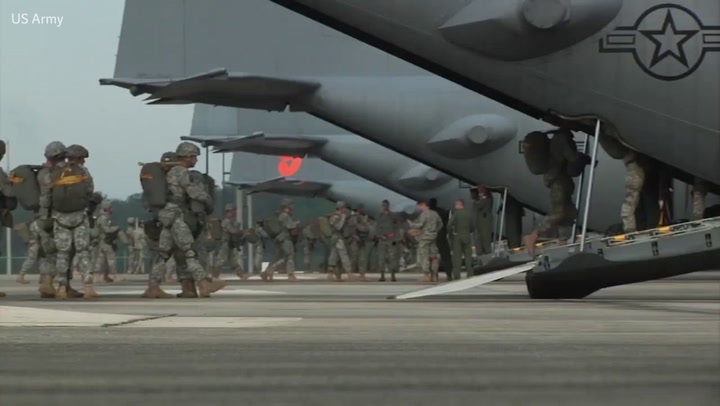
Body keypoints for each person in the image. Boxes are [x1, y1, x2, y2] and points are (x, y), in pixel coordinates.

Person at [157, 142, 224, 297]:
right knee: (189, 251)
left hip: (168, 215)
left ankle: (162, 286)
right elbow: (193, 191)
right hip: (176, 215)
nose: (196, 160)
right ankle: (204, 284)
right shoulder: (180, 171)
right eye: (194, 156)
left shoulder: (171, 171)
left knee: (164, 253)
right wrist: (208, 200)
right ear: (187, 156)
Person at [48, 143, 96, 299]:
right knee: (83, 252)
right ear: (80, 158)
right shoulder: (83, 171)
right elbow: (89, 191)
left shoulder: (54, 172)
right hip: (79, 216)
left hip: (60, 217)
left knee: (62, 253)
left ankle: (62, 287)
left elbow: (47, 194)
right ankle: (88, 286)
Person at [263, 198, 300, 281]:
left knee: (280, 257)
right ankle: (290, 275)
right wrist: (296, 223)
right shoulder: (285, 215)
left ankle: (268, 271)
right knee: (289, 256)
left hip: (281, 239)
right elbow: (290, 226)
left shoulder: (282, 215)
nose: (293, 206)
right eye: (291, 204)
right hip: (286, 238)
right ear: (288, 205)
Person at [407, 201, 443, 282]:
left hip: (425, 237)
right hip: (433, 236)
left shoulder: (424, 214)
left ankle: (426, 274)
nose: (419, 208)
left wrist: (411, 224)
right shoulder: (435, 214)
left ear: (423, 205)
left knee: (424, 255)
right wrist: (434, 231)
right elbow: (440, 224)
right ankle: (434, 274)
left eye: (419, 206)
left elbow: (420, 225)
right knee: (433, 256)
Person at [214, 204, 249, 280]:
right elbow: (232, 231)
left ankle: (241, 275)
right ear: (229, 211)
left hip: (230, 244)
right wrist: (242, 231)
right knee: (220, 260)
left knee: (233, 260)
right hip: (225, 243)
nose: (235, 212)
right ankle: (215, 277)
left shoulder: (231, 221)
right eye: (234, 210)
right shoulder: (226, 221)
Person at [448, 199, 475, 279]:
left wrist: (451, 234)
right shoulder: (469, 213)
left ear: (459, 204)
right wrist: (469, 231)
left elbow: (449, 225)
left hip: (458, 236)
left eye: (456, 204)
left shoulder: (456, 213)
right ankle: (470, 273)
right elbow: (473, 225)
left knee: (457, 257)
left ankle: (457, 274)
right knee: (468, 256)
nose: (455, 206)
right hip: (467, 236)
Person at [93, 200, 119, 283]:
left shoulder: (102, 218)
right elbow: (106, 230)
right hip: (105, 241)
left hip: (102, 241)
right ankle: (115, 276)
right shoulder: (104, 218)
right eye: (110, 207)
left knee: (101, 259)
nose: (112, 209)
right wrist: (116, 228)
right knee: (111, 258)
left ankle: (100, 277)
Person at [327, 201, 353, 281]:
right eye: (344, 208)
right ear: (341, 208)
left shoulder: (336, 216)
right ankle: (349, 273)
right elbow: (338, 227)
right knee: (343, 255)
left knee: (333, 256)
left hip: (337, 238)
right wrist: (343, 218)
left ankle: (330, 274)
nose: (345, 209)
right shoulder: (335, 217)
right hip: (338, 238)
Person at [375, 200, 400, 282]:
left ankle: (393, 275)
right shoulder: (379, 216)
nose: (384, 207)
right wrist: (380, 236)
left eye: (386, 205)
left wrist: (395, 238)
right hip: (382, 240)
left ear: (388, 206)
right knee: (381, 258)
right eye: (383, 205)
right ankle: (382, 275)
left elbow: (397, 228)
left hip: (391, 239)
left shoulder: (393, 216)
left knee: (392, 257)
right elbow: (377, 228)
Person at [471, 186, 493, 256]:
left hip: (484, 221)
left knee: (485, 239)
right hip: (479, 222)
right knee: (478, 239)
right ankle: (481, 252)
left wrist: (480, 197)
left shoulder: (486, 198)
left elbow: (480, 204)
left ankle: (486, 252)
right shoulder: (479, 200)